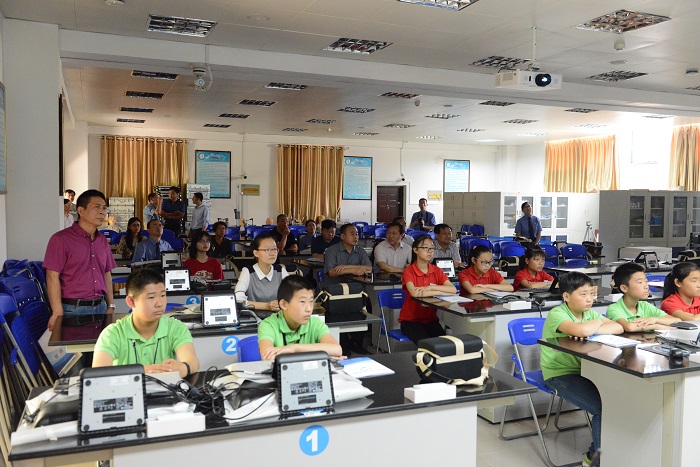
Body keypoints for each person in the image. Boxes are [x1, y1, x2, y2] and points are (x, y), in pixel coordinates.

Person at [541, 271, 623, 467]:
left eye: (592, 294)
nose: (589, 299)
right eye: (583, 294)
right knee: (602, 408)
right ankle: (597, 460)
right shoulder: (557, 313)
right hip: (560, 375)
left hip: (588, 372)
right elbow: (582, 330)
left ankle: (601, 453)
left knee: (620, 400)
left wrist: (592, 326)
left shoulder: (589, 314)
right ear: (566, 296)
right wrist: (595, 324)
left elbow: (618, 327)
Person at [93, 269, 199, 377]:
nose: (159, 304)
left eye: (163, 295)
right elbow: (98, 372)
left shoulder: (175, 327)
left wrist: (184, 367)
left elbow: (193, 362)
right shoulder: (112, 333)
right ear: (131, 301)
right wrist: (143, 371)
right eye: (151, 297)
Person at [44, 189, 116, 331]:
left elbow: (106, 273)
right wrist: (57, 312)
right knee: (77, 346)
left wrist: (111, 305)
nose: (102, 212)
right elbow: (52, 276)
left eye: (104, 208)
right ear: (81, 211)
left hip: (101, 307)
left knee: (101, 346)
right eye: (96, 207)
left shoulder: (102, 241)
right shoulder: (61, 239)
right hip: (73, 309)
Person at [258, 275, 342, 360]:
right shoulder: (268, 325)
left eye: (311, 301)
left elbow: (337, 350)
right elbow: (268, 358)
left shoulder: (315, 323)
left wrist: (294, 348)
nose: (309, 309)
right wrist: (320, 355)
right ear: (284, 304)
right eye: (302, 302)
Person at [399, 234, 457, 344]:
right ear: (415, 250)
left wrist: (430, 288)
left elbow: (452, 289)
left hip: (431, 320)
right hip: (410, 321)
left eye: (432, 248)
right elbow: (415, 293)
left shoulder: (436, 270)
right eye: (426, 248)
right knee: (429, 345)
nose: (430, 251)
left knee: (445, 345)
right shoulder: (409, 271)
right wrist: (440, 290)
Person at [607, 262, 680, 332]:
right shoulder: (614, 309)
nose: (646, 286)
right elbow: (629, 327)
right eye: (640, 282)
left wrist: (655, 320)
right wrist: (657, 326)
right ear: (624, 288)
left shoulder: (645, 306)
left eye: (646, 281)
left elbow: (677, 321)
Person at [235, 233, 289, 311]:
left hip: (278, 317)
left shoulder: (280, 270)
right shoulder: (248, 271)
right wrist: (267, 306)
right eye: (267, 250)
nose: (272, 253)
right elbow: (238, 299)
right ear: (256, 253)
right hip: (254, 317)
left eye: (274, 249)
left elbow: (293, 294)